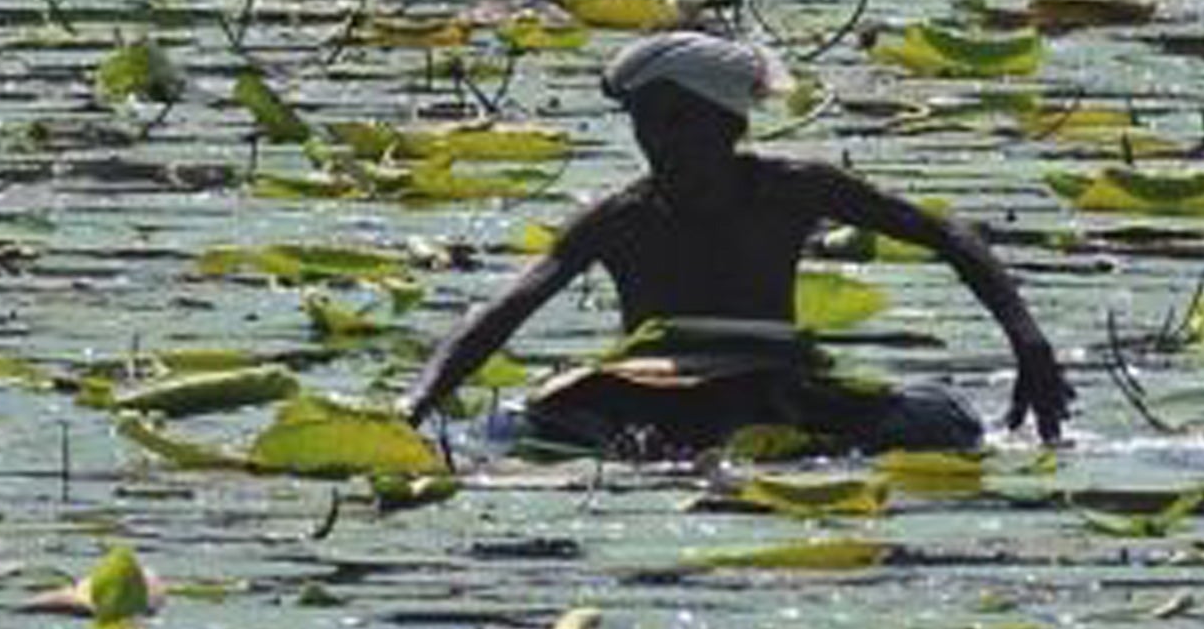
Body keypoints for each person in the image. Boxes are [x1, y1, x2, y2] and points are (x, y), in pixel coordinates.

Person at [401, 30, 1076, 456]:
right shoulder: (620, 217)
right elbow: (504, 312)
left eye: (675, 122)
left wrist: (1030, 344)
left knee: (943, 428)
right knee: (512, 432)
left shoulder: (795, 188)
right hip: (648, 389)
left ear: (725, 123)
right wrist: (416, 405)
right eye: (646, 125)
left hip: (771, 382)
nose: (659, 143)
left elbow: (947, 236)